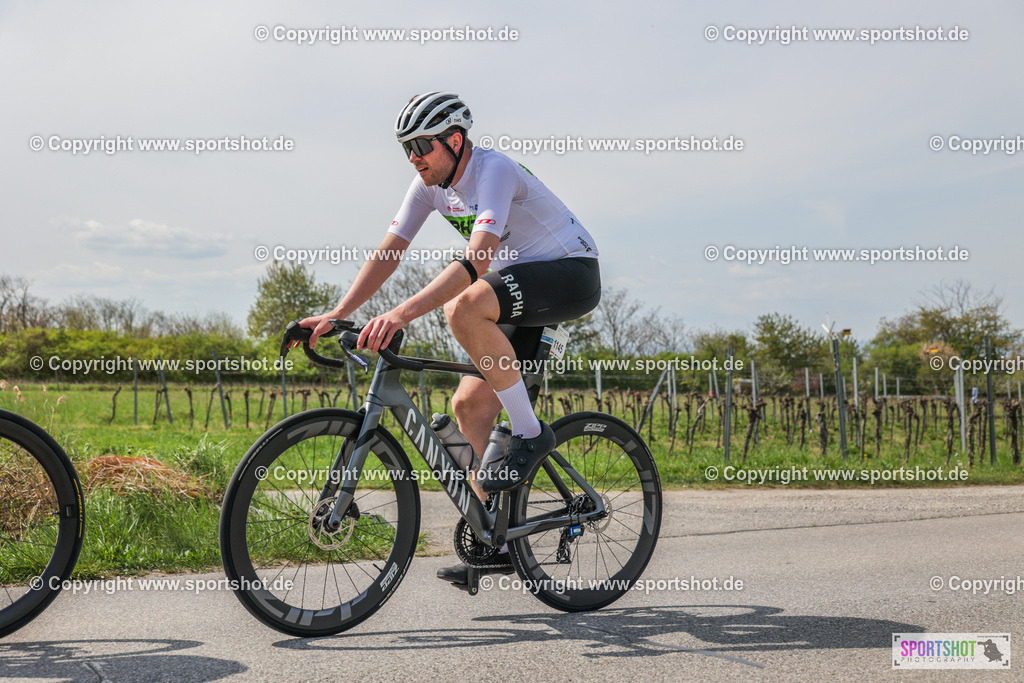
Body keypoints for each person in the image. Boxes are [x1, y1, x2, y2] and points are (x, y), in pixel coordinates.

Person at [299, 92, 600, 583]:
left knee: (463, 308)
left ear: (454, 141)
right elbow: (388, 253)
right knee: (468, 407)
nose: (413, 157)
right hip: (514, 289)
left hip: (568, 272)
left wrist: (399, 314)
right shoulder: (427, 188)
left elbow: (478, 259)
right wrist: (337, 313)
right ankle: (495, 535)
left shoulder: (493, 170)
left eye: (421, 146)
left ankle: (529, 433)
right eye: (406, 149)